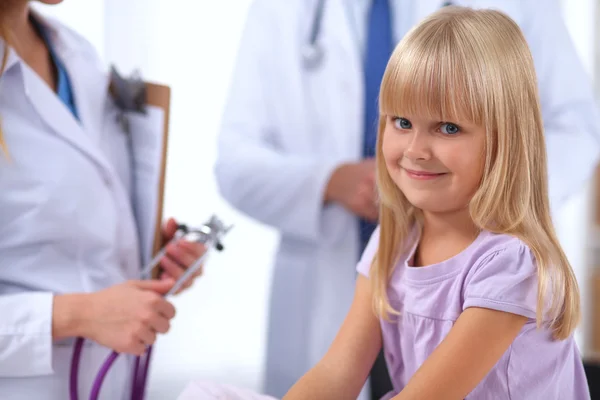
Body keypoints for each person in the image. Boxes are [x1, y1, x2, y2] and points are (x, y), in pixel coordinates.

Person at [215, 0, 599, 398]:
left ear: (507, 141)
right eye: (401, 122)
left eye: (448, 127)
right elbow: (335, 376)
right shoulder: (393, 243)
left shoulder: (510, 266)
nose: (415, 149)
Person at [0, 1, 205, 399]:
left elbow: (83, 225)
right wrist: (77, 315)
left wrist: (153, 260)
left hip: (111, 379)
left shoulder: (73, 52)